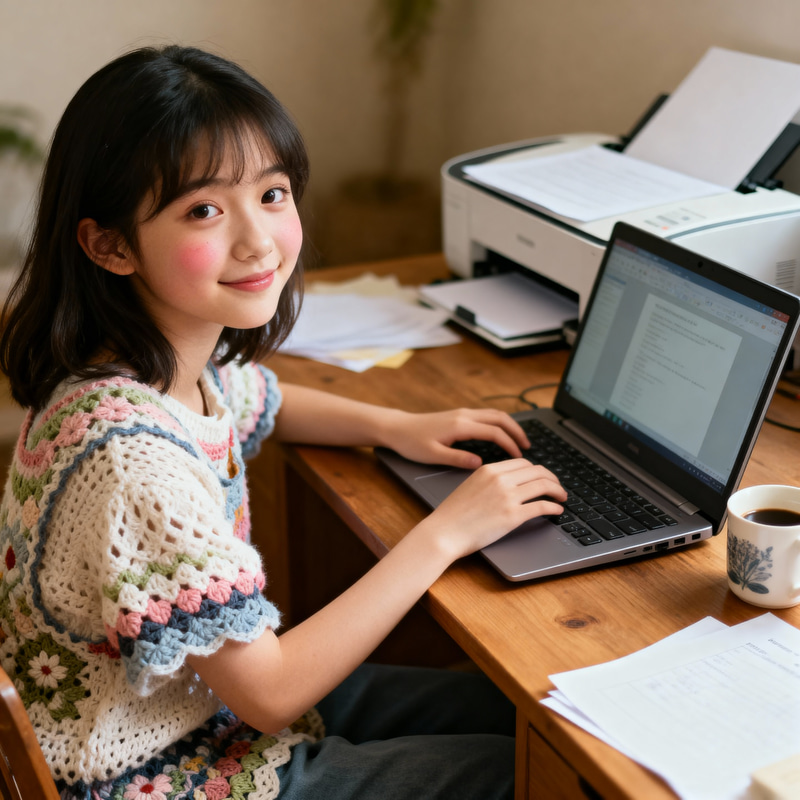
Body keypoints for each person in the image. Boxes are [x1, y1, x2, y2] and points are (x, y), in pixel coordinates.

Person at [0, 45, 566, 800]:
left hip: (196, 706)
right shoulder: (131, 461)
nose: (258, 240)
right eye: (204, 210)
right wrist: (447, 533)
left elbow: (262, 398)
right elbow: (269, 695)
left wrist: (397, 426)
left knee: (531, 717)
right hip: (156, 772)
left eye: (272, 193)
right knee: (524, 773)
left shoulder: (147, 367)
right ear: (110, 244)